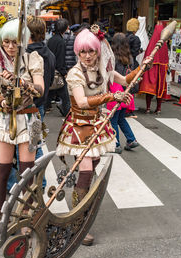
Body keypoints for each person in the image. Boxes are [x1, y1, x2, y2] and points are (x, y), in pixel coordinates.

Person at [56, 26, 152, 246]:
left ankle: (81, 210)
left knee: (91, 169)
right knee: (86, 171)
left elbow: (126, 80)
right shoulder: (75, 73)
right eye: (83, 52)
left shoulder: (103, 68)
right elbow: (80, 101)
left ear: (98, 51)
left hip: (97, 124)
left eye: (91, 51)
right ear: (78, 53)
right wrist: (110, 95)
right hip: (80, 126)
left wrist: (141, 69)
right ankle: (77, 223)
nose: (88, 56)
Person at [0, 14, 44, 221]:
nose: (10, 46)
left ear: (24, 40)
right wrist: (2, 101)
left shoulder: (33, 58)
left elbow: (40, 90)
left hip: (29, 119)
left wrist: (20, 81)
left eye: (15, 41)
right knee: (3, 168)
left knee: (27, 171)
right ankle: (2, 212)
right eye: (6, 42)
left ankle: (27, 213)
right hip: (5, 119)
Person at [6, 15, 56, 192]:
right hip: (40, 104)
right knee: (35, 145)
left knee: (25, 148)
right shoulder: (49, 53)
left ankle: (28, 186)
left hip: (26, 107)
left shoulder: (27, 56)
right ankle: (38, 184)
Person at [108, 32, 139, 154]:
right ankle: (131, 139)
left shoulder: (112, 58)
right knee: (121, 118)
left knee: (113, 120)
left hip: (116, 92)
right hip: (126, 92)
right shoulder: (130, 58)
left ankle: (116, 144)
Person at [139, 23, 169, 114]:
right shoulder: (163, 44)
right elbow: (166, 58)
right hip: (161, 70)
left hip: (151, 69)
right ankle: (158, 108)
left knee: (149, 89)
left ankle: (148, 108)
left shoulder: (151, 43)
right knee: (159, 88)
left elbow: (147, 56)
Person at [47, 18, 71, 116]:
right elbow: (60, 59)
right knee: (65, 95)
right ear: (65, 29)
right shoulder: (61, 41)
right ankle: (67, 113)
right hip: (58, 72)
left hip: (50, 70)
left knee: (50, 93)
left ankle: (43, 109)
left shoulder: (51, 40)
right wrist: (64, 72)